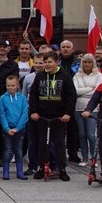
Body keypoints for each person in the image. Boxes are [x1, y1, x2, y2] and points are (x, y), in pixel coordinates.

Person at [29, 50, 76, 181]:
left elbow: (72, 95)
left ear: (56, 62)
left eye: (50, 62)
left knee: (59, 143)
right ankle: (41, 167)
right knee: (43, 143)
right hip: (42, 116)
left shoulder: (65, 76)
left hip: (59, 117)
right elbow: (33, 95)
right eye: (45, 62)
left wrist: (67, 113)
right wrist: (34, 111)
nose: (47, 64)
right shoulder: (39, 76)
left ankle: (62, 169)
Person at [73, 53, 102, 167]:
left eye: (89, 62)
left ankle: (93, 158)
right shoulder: (77, 75)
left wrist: (84, 91)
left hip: (93, 108)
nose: (87, 64)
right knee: (82, 134)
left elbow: (98, 91)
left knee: (91, 134)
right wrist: (90, 89)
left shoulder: (98, 75)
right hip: (78, 107)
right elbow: (76, 91)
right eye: (85, 62)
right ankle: (85, 158)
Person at [0, 73, 29, 180]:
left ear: (17, 86)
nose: (10, 88)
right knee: (7, 150)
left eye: (13, 85)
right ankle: (5, 171)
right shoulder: (2, 98)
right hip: (7, 129)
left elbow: (25, 114)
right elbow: (2, 114)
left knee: (19, 150)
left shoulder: (22, 98)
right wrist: (7, 128)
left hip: (19, 129)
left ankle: (19, 171)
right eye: (8, 85)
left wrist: (18, 128)